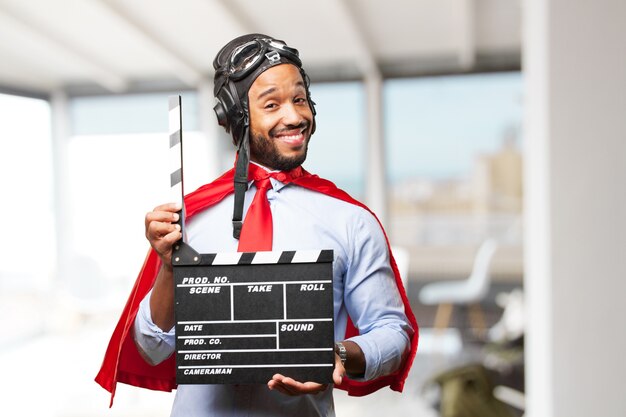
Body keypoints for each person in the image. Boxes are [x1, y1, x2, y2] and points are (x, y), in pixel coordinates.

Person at [96, 34, 418, 417]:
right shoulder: (190, 218)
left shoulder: (352, 221)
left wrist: (341, 355)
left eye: (299, 99)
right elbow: (152, 347)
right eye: (272, 104)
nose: (295, 116)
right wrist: (168, 265)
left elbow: (393, 333)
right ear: (236, 118)